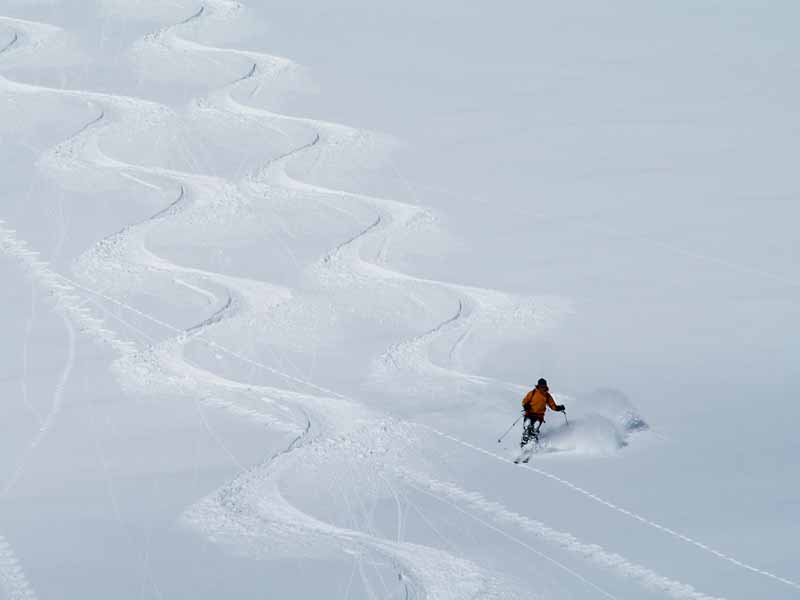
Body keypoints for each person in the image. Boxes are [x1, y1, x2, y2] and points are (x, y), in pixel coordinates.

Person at [520, 378, 565, 447]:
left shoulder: (547, 395)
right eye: (541, 386)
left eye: (544, 386)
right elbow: (524, 401)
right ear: (538, 386)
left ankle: (532, 442)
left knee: (535, 428)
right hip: (529, 413)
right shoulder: (532, 393)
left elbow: (552, 406)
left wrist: (559, 408)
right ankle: (524, 442)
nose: (542, 388)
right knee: (527, 426)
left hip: (539, 416)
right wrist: (526, 406)